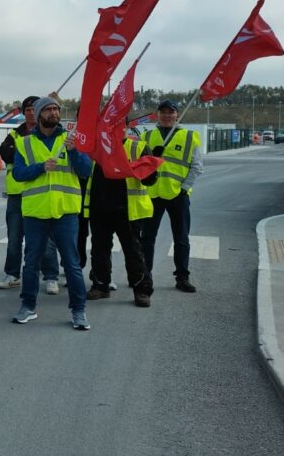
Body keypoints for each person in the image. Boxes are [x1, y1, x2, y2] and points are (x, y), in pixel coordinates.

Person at [10, 96, 92, 330]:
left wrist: (75, 152)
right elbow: (18, 174)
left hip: (65, 212)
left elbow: (86, 170)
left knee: (72, 264)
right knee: (31, 264)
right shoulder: (24, 143)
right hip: (35, 213)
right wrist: (40, 167)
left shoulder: (71, 140)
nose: (54, 113)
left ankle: (79, 311)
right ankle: (28, 306)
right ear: (37, 115)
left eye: (56, 109)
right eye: (48, 109)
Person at [84, 126, 157, 308]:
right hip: (100, 208)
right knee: (99, 250)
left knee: (133, 251)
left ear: (125, 127)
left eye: (118, 124)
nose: (113, 129)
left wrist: (146, 170)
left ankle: (141, 290)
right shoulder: (97, 148)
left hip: (127, 210)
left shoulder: (138, 147)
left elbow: (150, 179)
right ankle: (101, 285)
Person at [0, 95, 62, 292]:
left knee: (47, 240)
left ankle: (51, 276)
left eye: (35, 109)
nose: (31, 113)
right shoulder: (16, 135)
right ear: (24, 113)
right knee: (14, 238)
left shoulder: (49, 135)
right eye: (28, 110)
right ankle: (12, 274)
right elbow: (5, 153)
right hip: (17, 195)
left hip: (39, 195)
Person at [139, 98, 203, 293]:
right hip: (153, 194)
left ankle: (182, 277)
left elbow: (197, 167)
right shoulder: (147, 137)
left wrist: (184, 189)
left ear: (177, 115)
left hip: (178, 195)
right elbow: (140, 165)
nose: (167, 115)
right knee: (147, 238)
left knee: (181, 238)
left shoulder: (190, 136)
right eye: (163, 112)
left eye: (171, 112)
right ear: (157, 115)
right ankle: (144, 275)